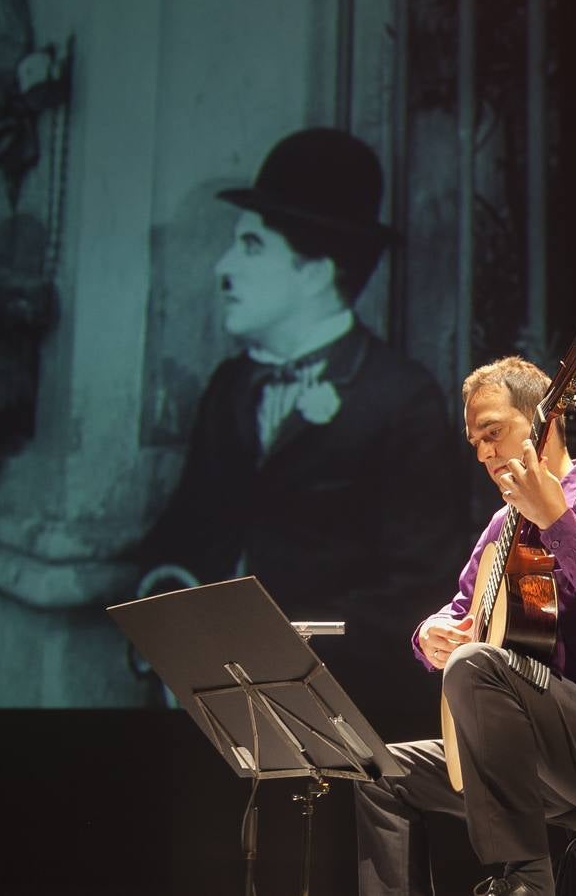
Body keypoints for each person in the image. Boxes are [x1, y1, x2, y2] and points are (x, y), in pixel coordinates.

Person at [132, 128, 464, 725]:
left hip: (342, 718)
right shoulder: (230, 384)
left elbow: (421, 593)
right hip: (207, 713)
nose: (223, 269)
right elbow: (186, 527)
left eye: (252, 246)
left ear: (315, 272)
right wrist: (166, 595)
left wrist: (277, 650)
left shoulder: (400, 399)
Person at [354, 356, 576, 895]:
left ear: (544, 421)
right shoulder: (502, 526)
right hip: (537, 758)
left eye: (494, 432)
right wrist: (430, 633)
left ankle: (524, 884)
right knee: (379, 772)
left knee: (477, 666)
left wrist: (557, 523)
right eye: (475, 442)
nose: (485, 453)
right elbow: (464, 609)